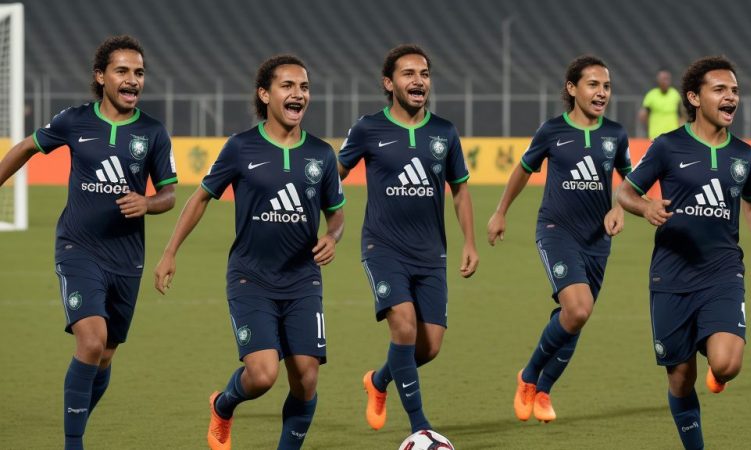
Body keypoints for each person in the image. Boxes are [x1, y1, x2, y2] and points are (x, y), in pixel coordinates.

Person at [153, 55, 346, 450]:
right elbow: (200, 199)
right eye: (288, 86)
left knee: (307, 378)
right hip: (250, 278)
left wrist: (334, 235)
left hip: (302, 280)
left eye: (304, 87)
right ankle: (224, 405)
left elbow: (337, 214)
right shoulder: (241, 147)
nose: (298, 94)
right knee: (261, 375)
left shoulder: (322, 155)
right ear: (265, 94)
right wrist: (170, 251)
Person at [0, 35, 176, 450]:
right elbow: (26, 147)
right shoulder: (75, 120)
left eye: (138, 73)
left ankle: (76, 417)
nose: (132, 80)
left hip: (127, 259)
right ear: (101, 77)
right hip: (78, 249)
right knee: (92, 341)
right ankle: (73, 443)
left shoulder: (152, 133)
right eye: (122, 71)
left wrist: (147, 203)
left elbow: (169, 195)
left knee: (106, 354)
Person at [616, 56, 751, 450]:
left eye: (734, 90)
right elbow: (625, 192)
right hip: (671, 274)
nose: (730, 96)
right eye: (720, 89)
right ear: (695, 98)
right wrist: (646, 206)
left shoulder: (744, 155)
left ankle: (716, 357)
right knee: (681, 378)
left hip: (721, 271)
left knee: (727, 363)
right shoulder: (668, 146)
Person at [338, 44, 478, 436]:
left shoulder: (444, 132)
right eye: (409, 74)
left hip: (430, 252)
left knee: (429, 345)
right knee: (403, 328)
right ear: (389, 83)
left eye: (425, 74)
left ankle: (379, 381)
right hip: (382, 247)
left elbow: (461, 190)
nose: (419, 81)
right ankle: (421, 428)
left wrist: (469, 242)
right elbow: (336, 172)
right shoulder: (368, 128)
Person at [487, 55, 632, 423]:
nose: (602, 92)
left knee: (575, 317)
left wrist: (620, 208)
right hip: (556, 231)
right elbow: (523, 170)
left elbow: (631, 184)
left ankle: (545, 390)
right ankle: (530, 376)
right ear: (572, 88)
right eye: (593, 84)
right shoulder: (552, 131)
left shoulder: (615, 134)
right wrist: (501, 211)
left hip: (598, 240)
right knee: (579, 308)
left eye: (607, 86)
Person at [638, 69, 685, 138]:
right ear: (658, 80)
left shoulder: (675, 94)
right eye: (662, 79)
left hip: (672, 135)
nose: (664, 81)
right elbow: (643, 115)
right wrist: (647, 127)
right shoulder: (651, 95)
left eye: (667, 79)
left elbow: (681, 115)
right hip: (655, 136)